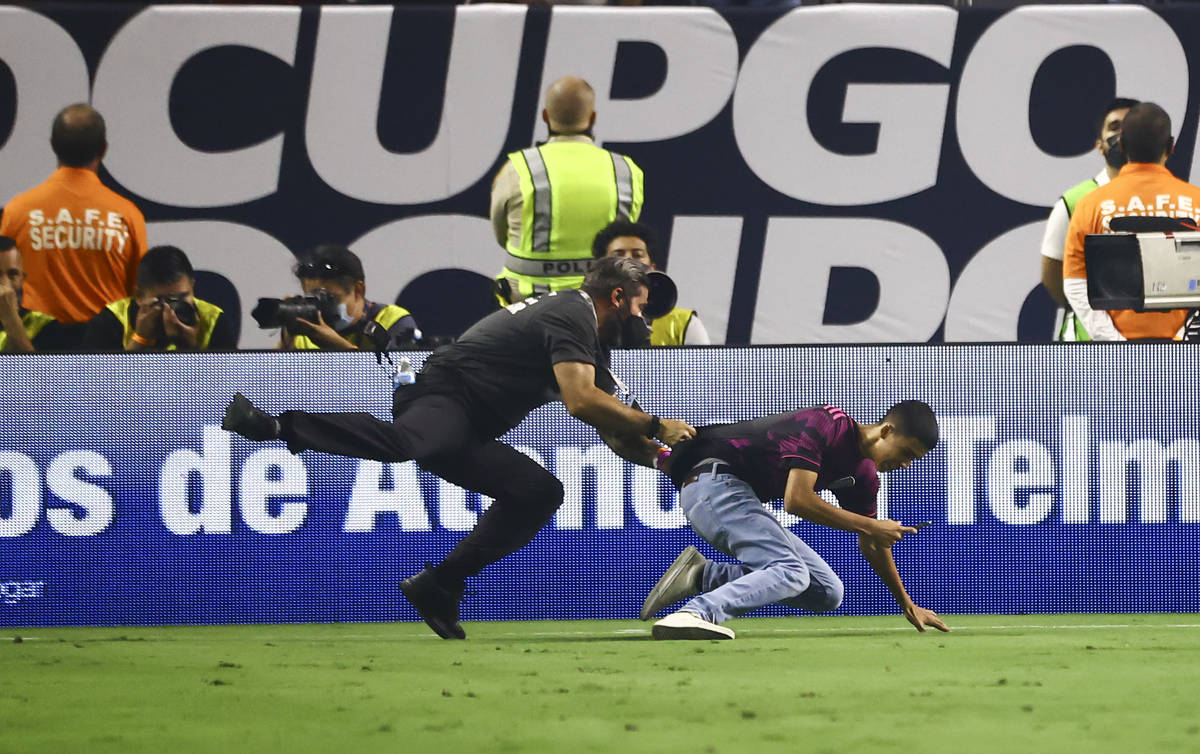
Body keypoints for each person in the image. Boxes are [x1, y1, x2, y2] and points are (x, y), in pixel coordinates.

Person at [221, 257, 696, 639]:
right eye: (643, 307)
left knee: (538, 492)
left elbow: (610, 427)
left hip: (468, 424)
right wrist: (658, 423)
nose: (647, 320)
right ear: (617, 296)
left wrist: (663, 457)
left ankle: (441, 583)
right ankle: (279, 425)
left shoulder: (588, 338)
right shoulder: (573, 312)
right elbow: (581, 401)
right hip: (445, 394)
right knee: (410, 442)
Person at [641, 401, 948, 640]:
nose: (906, 465)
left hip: (736, 496)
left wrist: (907, 603)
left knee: (827, 591)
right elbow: (797, 500)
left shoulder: (865, 477)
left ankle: (700, 575)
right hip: (711, 484)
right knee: (791, 571)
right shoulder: (829, 424)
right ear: (886, 431)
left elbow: (872, 543)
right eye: (906, 452)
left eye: (914, 460)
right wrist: (870, 525)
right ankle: (696, 613)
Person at [491, 75, 644, 304]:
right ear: (593, 117)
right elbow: (626, 242)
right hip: (603, 311)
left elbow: (502, 235)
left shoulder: (517, 170)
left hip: (528, 314)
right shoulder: (625, 171)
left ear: (545, 116)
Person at [0, 104, 148, 327]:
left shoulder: (17, 211)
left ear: (53, 146)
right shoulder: (127, 215)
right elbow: (141, 292)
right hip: (106, 352)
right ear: (104, 149)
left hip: (35, 351)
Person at [1063, 102, 1199, 341]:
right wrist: (1182, 339)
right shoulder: (1196, 202)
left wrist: (1118, 344)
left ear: (1122, 145)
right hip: (1187, 358)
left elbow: (1075, 284)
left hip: (1115, 362)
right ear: (1170, 146)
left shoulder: (1089, 206)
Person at [1040, 98, 1138, 342]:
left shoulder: (1171, 199)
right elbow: (1052, 274)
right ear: (1100, 145)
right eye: (1114, 127)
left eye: (1132, 126)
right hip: (1086, 347)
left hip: (1154, 342)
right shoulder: (1074, 201)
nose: (1123, 134)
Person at [81, 245, 236, 351]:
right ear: (139, 296)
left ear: (192, 287)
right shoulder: (111, 320)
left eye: (182, 297)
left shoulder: (213, 320)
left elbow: (226, 389)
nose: (172, 308)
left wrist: (189, 347)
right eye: (162, 301)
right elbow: (97, 388)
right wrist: (140, 340)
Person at [279, 244, 420, 351]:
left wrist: (338, 348)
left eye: (327, 298)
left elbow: (402, 382)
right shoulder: (305, 329)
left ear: (358, 290)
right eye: (312, 298)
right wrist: (287, 340)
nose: (320, 306)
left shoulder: (392, 321)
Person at [592, 220, 711, 346]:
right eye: (618, 255)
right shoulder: (585, 319)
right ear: (601, 268)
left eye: (637, 255)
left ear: (652, 267)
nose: (629, 260)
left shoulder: (684, 324)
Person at [0, 235, 72, 353]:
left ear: (23, 278)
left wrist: (10, 319)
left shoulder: (50, 324)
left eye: (12, 274)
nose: (4, 284)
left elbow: (35, 370)